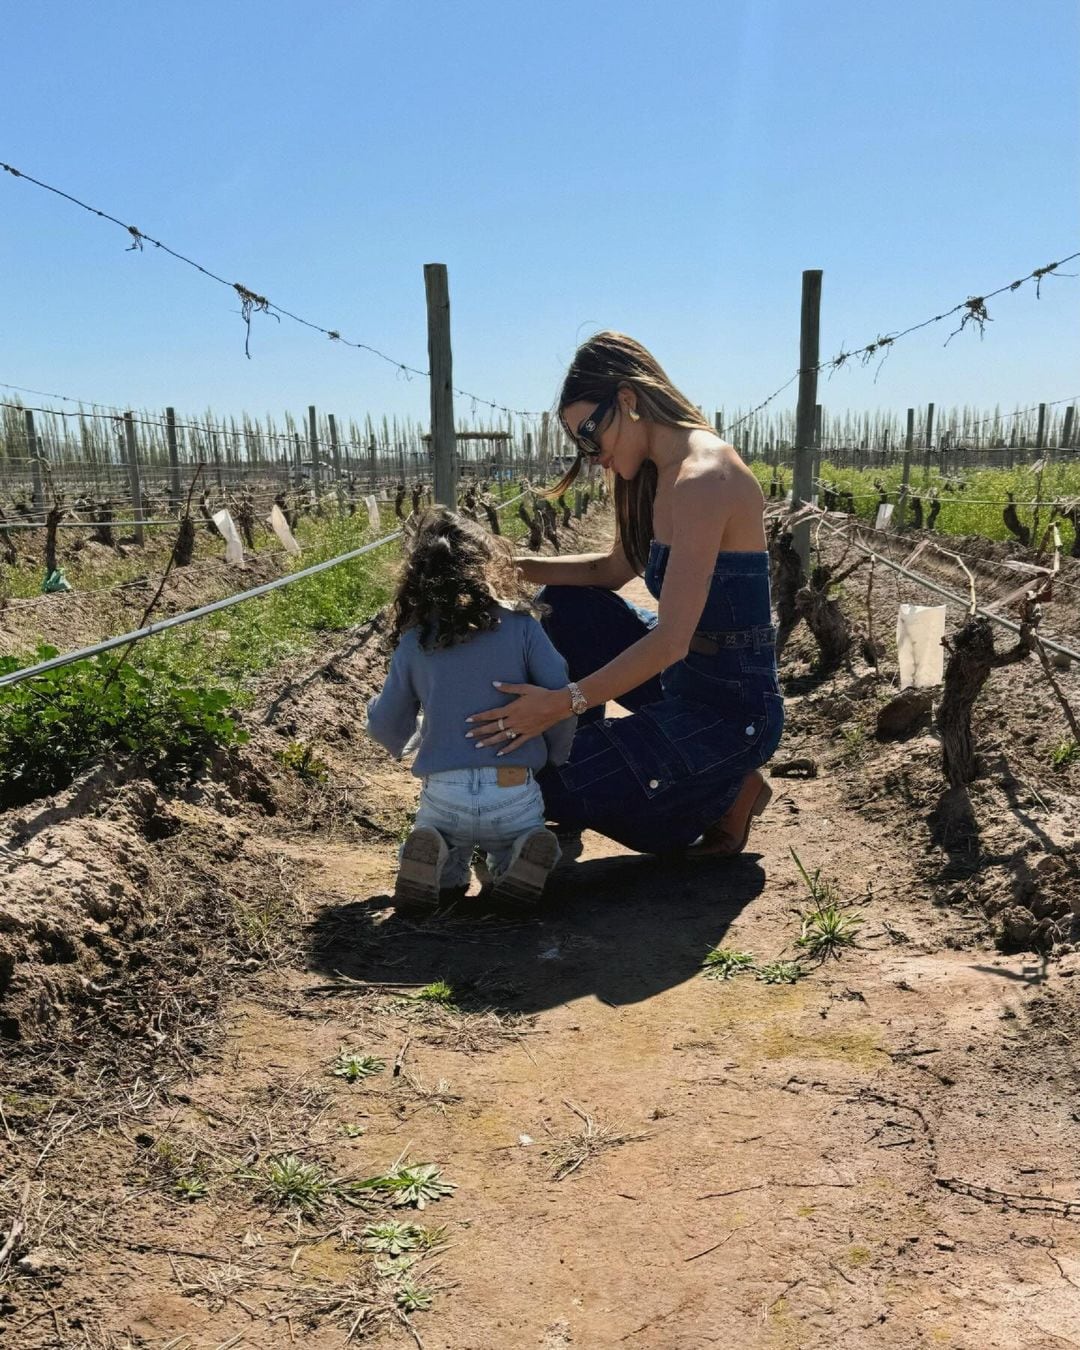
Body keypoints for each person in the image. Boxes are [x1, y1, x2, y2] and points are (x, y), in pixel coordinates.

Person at [466, 331, 783, 858]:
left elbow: (671, 641)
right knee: (564, 606)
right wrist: (506, 568)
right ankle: (592, 752)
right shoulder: (653, 476)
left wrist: (558, 704)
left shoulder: (707, 480)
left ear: (629, 401)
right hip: (683, 680)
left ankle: (724, 790)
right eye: (580, 445)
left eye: (589, 436)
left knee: (534, 784)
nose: (591, 456)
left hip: (730, 706)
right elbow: (609, 570)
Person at [366, 507, 576, 906]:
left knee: (441, 841)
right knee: (517, 832)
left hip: (445, 790)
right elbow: (559, 694)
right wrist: (555, 753)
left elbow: (385, 723)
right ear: (489, 566)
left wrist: (380, 717)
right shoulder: (522, 627)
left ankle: (437, 858)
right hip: (512, 788)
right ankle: (521, 850)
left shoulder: (416, 641)